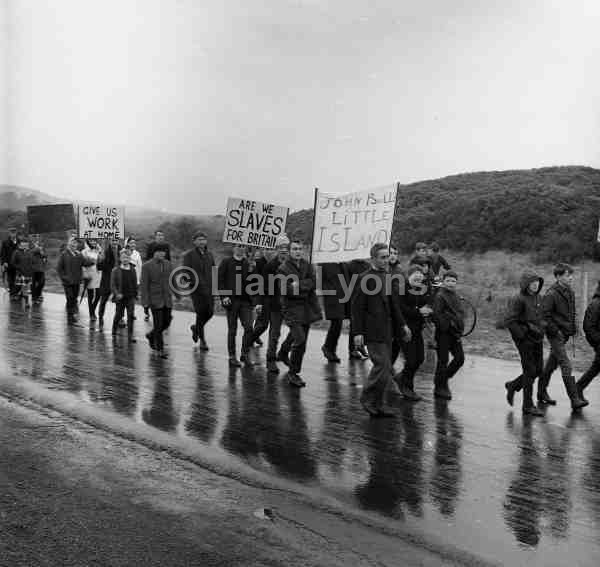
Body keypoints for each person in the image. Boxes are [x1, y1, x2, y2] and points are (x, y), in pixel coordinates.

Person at [352, 243, 410, 416]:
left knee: (385, 369)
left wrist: (403, 325)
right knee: (382, 366)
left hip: (387, 329)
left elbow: (394, 305)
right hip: (372, 330)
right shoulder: (364, 278)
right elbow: (357, 308)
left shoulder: (387, 276)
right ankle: (367, 398)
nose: (387, 260)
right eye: (383, 257)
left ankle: (378, 404)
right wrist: (357, 333)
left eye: (387, 257)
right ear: (373, 259)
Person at [538, 263, 586, 410]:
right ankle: (574, 399)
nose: (571, 278)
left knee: (551, 364)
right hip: (555, 335)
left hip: (565, 333)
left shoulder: (569, 291)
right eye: (567, 275)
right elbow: (543, 317)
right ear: (558, 277)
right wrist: (556, 331)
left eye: (571, 275)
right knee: (566, 364)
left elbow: (571, 312)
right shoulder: (551, 294)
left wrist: (575, 328)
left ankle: (541, 393)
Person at [278, 239, 322, 386]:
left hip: (306, 309)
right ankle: (293, 372)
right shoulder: (283, 269)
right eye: (295, 249)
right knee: (300, 341)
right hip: (291, 309)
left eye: (300, 249)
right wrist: (304, 286)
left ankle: (283, 352)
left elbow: (314, 283)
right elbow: (286, 290)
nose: (298, 251)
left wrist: (298, 285)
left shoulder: (307, 265)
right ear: (290, 251)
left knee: (299, 337)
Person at [503, 270, 546, 416]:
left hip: (538, 338)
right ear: (526, 284)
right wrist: (522, 336)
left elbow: (541, 317)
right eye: (532, 283)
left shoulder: (539, 298)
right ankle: (527, 405)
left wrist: (542, 329)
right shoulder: (519, 299)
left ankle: (513, 385)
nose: (535, 285)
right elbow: (510, 321)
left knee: (538, 370)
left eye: (537, 282)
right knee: (529, 371)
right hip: (525, 340)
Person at [394, 265, 433, 401]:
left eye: (421, 274)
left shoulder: (422, 290)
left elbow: (426, 305)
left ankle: (401, 377)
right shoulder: (401, 289)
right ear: (408, 276)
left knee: (420, 358)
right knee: (411, 360)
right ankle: (407, 387)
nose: (418, 276)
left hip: (417, 329)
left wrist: (428, 310)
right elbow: (400, 309)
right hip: (404, 329)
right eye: (415, 274)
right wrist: (419, 312)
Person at [253, 236, 289, 373]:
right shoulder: (270, 266)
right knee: (273, 331)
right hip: (273, 303)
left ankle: (283, 353)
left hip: (289, 304)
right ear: (277, 249)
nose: (284, 250)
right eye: (281, 248)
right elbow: (263, 286)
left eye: (286, 248)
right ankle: (270, 360)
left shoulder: (292, 264)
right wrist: (260, 303)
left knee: (297, 330)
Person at [217, 244, 256, 367]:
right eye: (238, 246)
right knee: (232, 329)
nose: (241, 248)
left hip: (245, 301)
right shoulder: (226, 262)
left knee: (249, 327)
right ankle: (232, 356)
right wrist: (224, 296)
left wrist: (252, 270)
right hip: (231, 300)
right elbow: (220, 280)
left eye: (243, 246)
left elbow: (253, 282)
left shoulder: (248, 263)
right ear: (234, 248)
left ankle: (245, 354)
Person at [432, 270, 465, 400]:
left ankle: (442, 379)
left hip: (455, 333)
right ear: (443, 282)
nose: (451, 283)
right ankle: (440, 387)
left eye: (453, 281)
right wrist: (448, 324)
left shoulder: (456, 296)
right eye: (448, 281)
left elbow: (461, 313)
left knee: (460, 358)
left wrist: (459, 326)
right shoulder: (440, 296)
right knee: (443, 360)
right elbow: (437, 315)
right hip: (443, 334)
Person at [182, 231, 215, 350]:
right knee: (201, 313)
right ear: (194, 242)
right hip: (197, 290)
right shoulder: (189, 255)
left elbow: (213, 271)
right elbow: (185, 271)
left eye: (203, 239)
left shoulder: (209, 254)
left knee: (210, 312)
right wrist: (193, 284)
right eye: (199, 239)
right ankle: (203, 341)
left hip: (210, 289)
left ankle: (196, 328)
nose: (202, 241)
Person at [141, 242, 173, 359]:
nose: (162, 254)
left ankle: (151, 335)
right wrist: (145, 302)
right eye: (159, 251)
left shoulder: (168, 264)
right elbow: (144, 285)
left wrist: (178, 293)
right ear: (154, 253)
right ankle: (160, 349)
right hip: (155, 300)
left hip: (167, 299)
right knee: (158, 324)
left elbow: (172, 280)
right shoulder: (146, 266)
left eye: (163, 252)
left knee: (167, 321)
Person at [577, 281, 600, 403]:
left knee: (596, 367)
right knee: (596, 367)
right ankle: (578, 388)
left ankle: (578, 388)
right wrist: (598, 342)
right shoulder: (596, 304)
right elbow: (588, 327)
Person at [111, 248, 138, 343]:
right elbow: (113, 285)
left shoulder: (133, 269)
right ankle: (114, 329)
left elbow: (135, 283)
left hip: (130, 297)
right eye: (123, 257)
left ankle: (130, 335)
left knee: (130, 316)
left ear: (129, 258)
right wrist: (117, 294)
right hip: (120, 297)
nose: (125, 259)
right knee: (118, 315)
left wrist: (136, 294)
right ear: (120, 259)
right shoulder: (116, 270)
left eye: (127, 257)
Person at [144, 230, 171, 321]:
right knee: (151, 290)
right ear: (155, 236)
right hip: (152, 270)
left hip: (164, 270)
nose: (160, 237)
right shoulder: (151, 245)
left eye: (162, 235)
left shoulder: (166, 246)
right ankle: (147, 310)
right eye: (159, 235)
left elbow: (168, 258)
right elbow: (147, 258)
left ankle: (164, 312)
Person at [57, 237, 84, 325]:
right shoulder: (64, 254)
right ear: (69, 243)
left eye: (75, 243)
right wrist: (64, 278)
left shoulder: (79, 254)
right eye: (72, 242)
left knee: (74, 298)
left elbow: (86, 263)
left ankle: (72, 314)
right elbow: (59, 268)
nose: (74, 244)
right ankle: (70, 317)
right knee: (70, 298)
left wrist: (96, 258)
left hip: (76, 281)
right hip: (67, 282)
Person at [97, 240, 120, 330]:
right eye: (113, 240)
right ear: (110, 241)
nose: (115, 242)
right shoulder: (106, 251)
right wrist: (100, 259)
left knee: (119, 301)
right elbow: (99, 267)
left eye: (116, 239)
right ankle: (101, 318)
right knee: (103, 300)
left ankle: (119, 319)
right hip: (107, 280)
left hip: (118, 281)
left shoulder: (121, 251)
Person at [81, 238, 103, 321]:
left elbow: (101, 261)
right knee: (90, 296)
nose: (93, 242)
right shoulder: (84, 251)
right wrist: (84, 275)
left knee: (98, 295)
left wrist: (100, 252)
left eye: (95, 241)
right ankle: (92, 314)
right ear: (88, 241)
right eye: (91, 241)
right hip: (89, 275)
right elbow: (82, 264)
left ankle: (92, 310)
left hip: (98, 275)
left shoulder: (98, 250)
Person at [10, 238, 34, 307]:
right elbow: (13, 262)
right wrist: (19, 268)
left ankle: (25, 301)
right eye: (24, 243)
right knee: (22, 287)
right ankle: (16, 295)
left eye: (26, 244)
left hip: (28, 273)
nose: (25, 245)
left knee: (25, 288)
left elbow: (31, 262)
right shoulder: (16, 252)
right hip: (20, 273)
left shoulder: (29, 252)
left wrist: (31, 269)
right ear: (20, 244)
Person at [1, 227, 19, 299]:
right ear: (9, 233)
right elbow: (3, 253)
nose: (13, 234)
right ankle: (12, 294)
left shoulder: (19, 241)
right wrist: (4, 262)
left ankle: (17, 292)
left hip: (18, 263)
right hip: (9, 263)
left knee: (18, 279)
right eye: (11, 233)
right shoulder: (5, 242)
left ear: (16, 233)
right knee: (11, 279)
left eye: (14, 232)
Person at [30, 234, 47, 303]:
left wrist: (42, 253)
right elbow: (28, 252)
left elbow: (45, 255)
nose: (37, 237)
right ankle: (34, 298)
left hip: (40, 267)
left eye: (38, 236)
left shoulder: (42, 245)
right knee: (33, 284)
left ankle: (38, 294)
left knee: (42, 282)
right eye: (35, 236)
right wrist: (36, 249)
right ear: (32, 237)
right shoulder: (29, 244)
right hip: (32, 267)